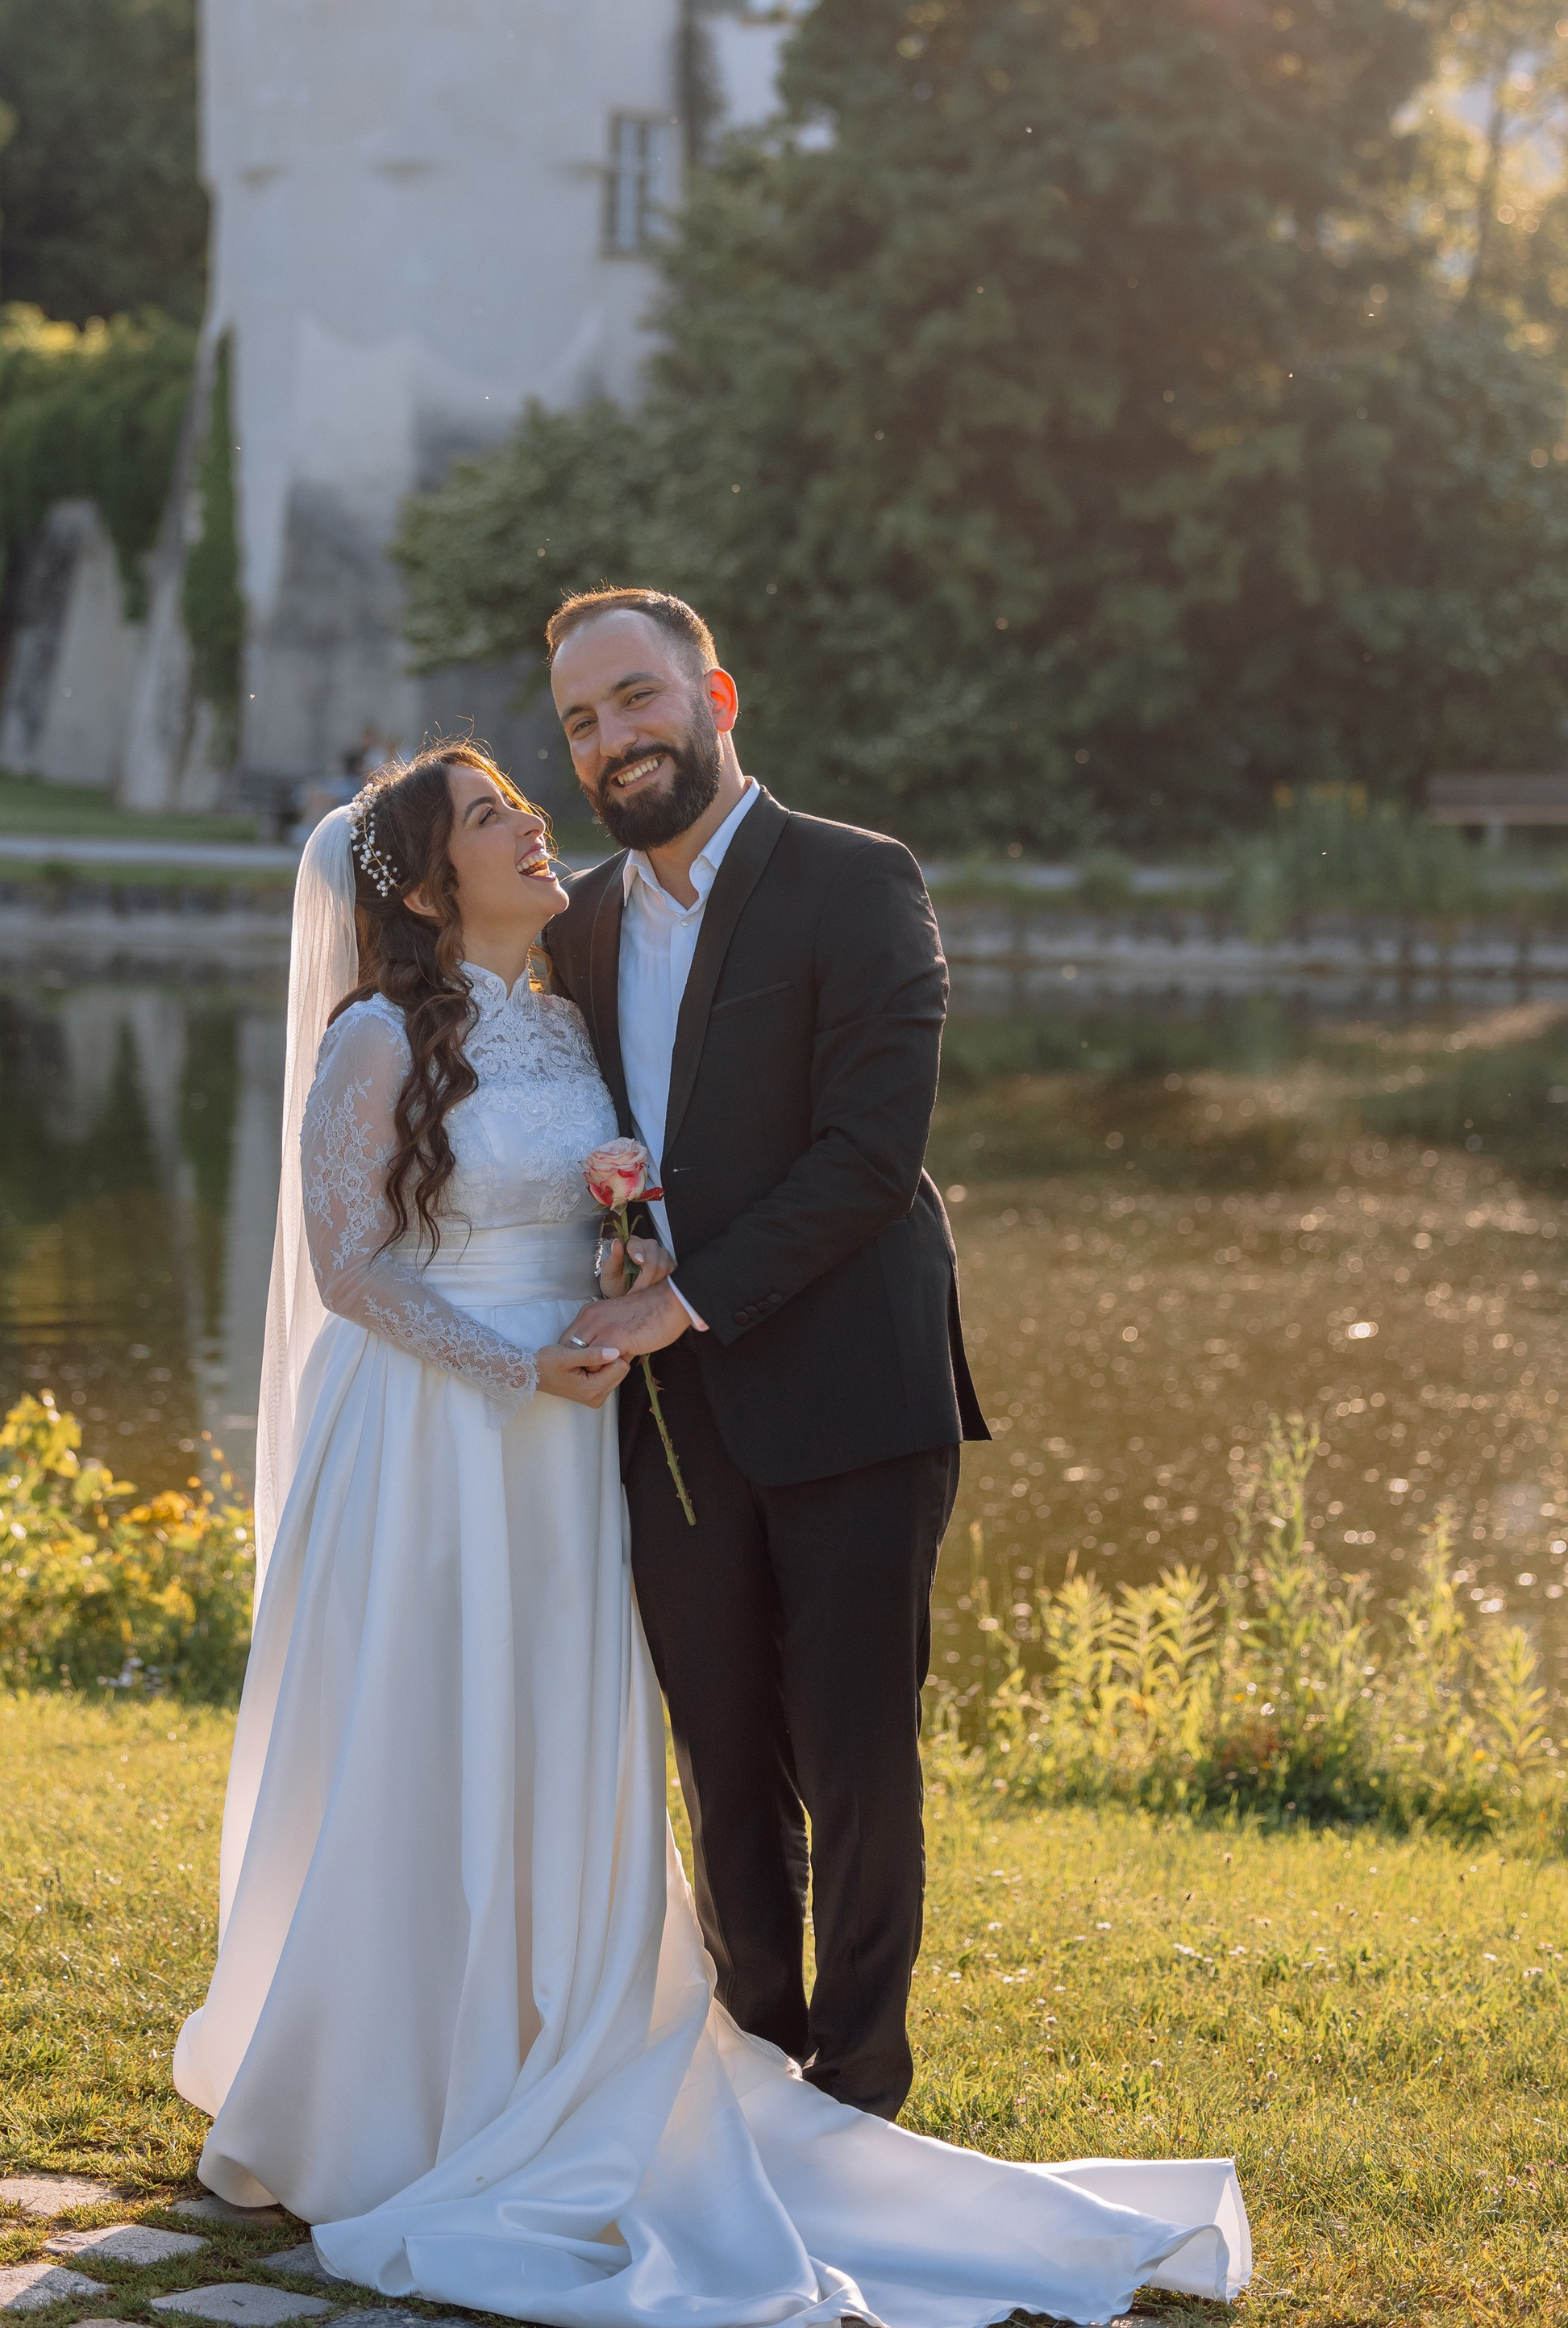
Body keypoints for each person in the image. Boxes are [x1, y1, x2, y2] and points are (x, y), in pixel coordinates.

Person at [173, 739, 1249, 2327]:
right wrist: (515, 1359)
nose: (537, 818)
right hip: (437, 1435)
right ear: (423, 876)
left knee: (570, 1736)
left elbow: (709, 1170)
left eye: (524, 800)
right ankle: (390, 2077)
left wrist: (614, 1283)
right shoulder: (373, 1034)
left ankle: (577, 2028)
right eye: (491, 815)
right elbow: (347, 1267)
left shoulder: (558, 1004)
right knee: (425, 1731)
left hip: (575, 1431)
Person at [543, 586, 977, 2119]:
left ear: (715, 696)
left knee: (854, 1760)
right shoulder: (577, 924)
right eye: (583, 720)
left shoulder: (857, 880)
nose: (613, 739)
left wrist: (682, 1297)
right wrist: (612, 1266)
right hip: (674, 1422)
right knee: (721, 1754)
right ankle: (755, 2072)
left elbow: (869, 1156)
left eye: (636, 698)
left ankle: (858, 2090)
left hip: (855, 1387)